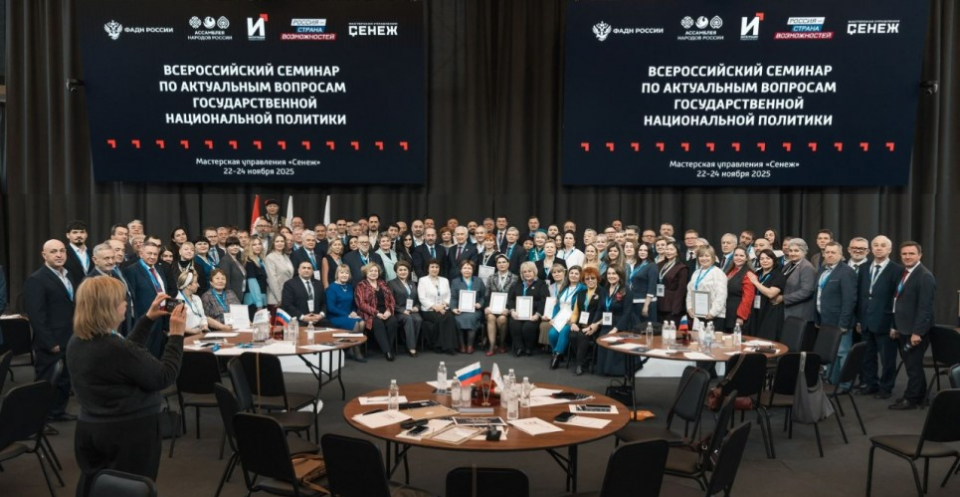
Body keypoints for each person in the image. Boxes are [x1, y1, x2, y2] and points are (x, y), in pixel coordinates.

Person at [67, 281, 185, 497]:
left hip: (91, 429)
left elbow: (127, 355)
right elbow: (164, 376)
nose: (126, 305)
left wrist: (147, 319)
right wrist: (176, 335)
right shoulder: (114, 348)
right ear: (109, 307)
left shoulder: (77, 342)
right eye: (122, 300)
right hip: (128, 435)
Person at [24, 239, 77, 422]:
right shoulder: (36, 279)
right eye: (53, 251)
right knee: (46, 381)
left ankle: (57, 412)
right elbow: (36, 315)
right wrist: (50, 342)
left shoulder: (68, 275)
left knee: (64, 380)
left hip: (69, 337)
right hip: (51, 341)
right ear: (44, 255)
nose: (59, 255)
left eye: (62, 251)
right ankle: (38, 420)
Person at [889, 241, 937, 410]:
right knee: (911, 365)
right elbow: (898, 301)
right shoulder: (905, 273)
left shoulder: (925, 276)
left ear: (920, 255)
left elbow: (925, 308)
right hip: (903, 327)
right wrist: (895, 326)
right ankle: (920, 396)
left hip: (915, 331)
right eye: (904, 254)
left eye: (911, 253)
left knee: (913, 366)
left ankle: (911, 399)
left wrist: (917, 332)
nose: (907, 256)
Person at [856, 235, 903, 400]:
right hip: (866, 321)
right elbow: (861, 296)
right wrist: (859, 319)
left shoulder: (897, 270)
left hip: (885, 322)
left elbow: (898, 299)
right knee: (867, 357)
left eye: (883, 245)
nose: (879, 248)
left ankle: (886, 388)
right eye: (875, 245)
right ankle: (871, 384)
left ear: (889, 249)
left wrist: (895, 324)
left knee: (887, 359)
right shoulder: (864, 268)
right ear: (871, 248)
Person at [815, 241, 858, 387]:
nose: (829, 255)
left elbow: (849, 301)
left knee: (842, 353)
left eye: (833, 252)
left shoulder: (846, 272)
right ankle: (832, 381)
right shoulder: (822, 270)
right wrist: (817, 319)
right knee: (831, 353)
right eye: (827, 252)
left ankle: (845, 385)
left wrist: (843, 324)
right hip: (825, 321)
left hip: (839, 322)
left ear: (841, 254)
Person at [123, 242, 170, 356]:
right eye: (149, 253)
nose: (152, 257)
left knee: (159, 354)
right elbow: (131, 299)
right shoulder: (131, 270)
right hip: (144, 320)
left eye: (155, 254)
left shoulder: (159, 269)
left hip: (161, 319)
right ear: (141, 254)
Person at [593, 266, 636, 376]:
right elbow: (600, 309)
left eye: (614, 273)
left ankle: (614, 371)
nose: (611, 276)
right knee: (602, 339)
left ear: (620, 276)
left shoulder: (626, 291)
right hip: (608, 321)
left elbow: (627, 313)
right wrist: (594, 324)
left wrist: (616, 329)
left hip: (622, 323)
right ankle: (603, 369)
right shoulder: (603, 290)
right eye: (609, 273)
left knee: (613, 340)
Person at [354, 263, 399, 361]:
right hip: (369, 313)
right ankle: (387, 351)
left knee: (393, 322)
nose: (374, 273)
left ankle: (388, 347)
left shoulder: (382, 283)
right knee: (378, 323)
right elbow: (361, 304)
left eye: (376, 271)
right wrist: (376, 313)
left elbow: (392, 300)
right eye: (371, 271)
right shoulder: (361, 285)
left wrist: (389, 311)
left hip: (385, 312)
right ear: (366, 273)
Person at [507, 261, 549, 357]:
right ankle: (519, 347)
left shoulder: (541, 284)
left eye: (529, 271)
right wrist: (512, 311)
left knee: (528, 327)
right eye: (524, 272)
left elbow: (544, 301)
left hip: (533, 314)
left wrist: (537, 315)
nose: (527, 274)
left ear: (534, 271)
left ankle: (529, 348)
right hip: (518, 313)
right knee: (514, 324)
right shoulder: (517, 284)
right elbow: (511, 299)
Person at [325, 265, 367, 361]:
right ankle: (357, 351)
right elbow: (331, 308)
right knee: (355, 323)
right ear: (337, 274)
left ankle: (351, 349)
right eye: (342, 272)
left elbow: (353, 303)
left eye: (347, 273)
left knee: (362, 322)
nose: (344, 275)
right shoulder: (331, 288)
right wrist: (347, 315)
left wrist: (354, 312)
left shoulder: (349, 287)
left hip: (348, 316)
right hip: (335, 316)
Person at [417, 259, 459, 354]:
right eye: (432, 267)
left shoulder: (445, 280)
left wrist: (444, 305)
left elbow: (448, 295)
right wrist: (435, 307)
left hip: (443, 307)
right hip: (428, 309)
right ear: (428, 269)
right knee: (441, 318)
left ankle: (449, 347)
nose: (434, 269)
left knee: (450, 317)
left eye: (437, 267)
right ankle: (438, 345)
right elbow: (422, 298)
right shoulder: (423, 280)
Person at [548, 266, 585, 369]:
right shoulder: (564, 287)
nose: (573, 275)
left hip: (572, 320)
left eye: (576, 274)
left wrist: (573, 320)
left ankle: (557, 356)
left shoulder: (583, 288)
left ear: (580, 276)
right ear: (568, 275)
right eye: (571, 273)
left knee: (564, 331)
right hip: (560, 318)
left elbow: (582, 307)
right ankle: (556, 353)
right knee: (552, 334)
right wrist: (553, 318)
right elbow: (557, 305)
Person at [746, 249, 786, 341]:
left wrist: (756, 282)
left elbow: (771, 294)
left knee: (766, 340)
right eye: (762, 259)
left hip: (770, 312)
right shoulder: (758, 273)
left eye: (768, 258)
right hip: (756, 311)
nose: (765, 261)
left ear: (773, 260)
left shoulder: (778, 275)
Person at [569, 267, 602, 375]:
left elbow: (605, 313)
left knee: (582, 336)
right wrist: (573, 323)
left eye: (593, 278)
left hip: (595, 326)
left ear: (597, 279)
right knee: (572, 335)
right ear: (584, 280)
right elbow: (575, 313)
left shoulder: (602, 293)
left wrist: (594, 325)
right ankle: (585, 358)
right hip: (581, 325)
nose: (590, 280)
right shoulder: (581, 293)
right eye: (587, 278)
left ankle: (579, 364)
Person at [450, 259, 486, 354]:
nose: (467, 270)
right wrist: (453, 308)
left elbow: (483, 296)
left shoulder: (478, 281)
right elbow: (453, 298)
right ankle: (462, 346)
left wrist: (480, 304)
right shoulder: (455, 282)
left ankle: (470, 346)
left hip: (475, 310)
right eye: (464, 268)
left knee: (471, 318)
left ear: (473, 270)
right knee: (458, 319)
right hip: (460, 309)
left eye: (469, 268)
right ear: (461, 270)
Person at [484, 254, 517, 356]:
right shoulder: (491, 277)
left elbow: (515, 297)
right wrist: (486, 307)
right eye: (499, 263)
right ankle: (492, 345)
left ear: (508, 264)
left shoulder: (515, 278)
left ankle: (502, 344)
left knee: (502, 319)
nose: (501, 264)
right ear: (496, 265)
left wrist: (509, 309)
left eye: (504, 262)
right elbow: (486, 295)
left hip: (506, 309)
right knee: (490, 317)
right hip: (492, 308)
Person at [387, 260, 422, 357]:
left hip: (412, 310)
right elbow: (390, 302)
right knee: (408, 319)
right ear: (396, 271)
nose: (403, 272)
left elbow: (418, 300)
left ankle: (409, 342)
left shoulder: (412, 283)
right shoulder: (391, 283)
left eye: (405, 270)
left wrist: (417, 307)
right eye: (400, 270)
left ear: (408, 271)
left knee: (418, 319)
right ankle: (411, 347)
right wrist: (402, 310)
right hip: (398, 311)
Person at [780, 238, 817, 324]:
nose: (793, 253)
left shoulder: (807, 267)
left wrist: (783, 298)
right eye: (791, 250)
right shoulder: (789, 265)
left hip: (800, 313)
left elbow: (806, 291)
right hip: (787, 311)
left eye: (796, 251)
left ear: (804, 252)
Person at [281, 261, 329, 328]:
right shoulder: (290, 284)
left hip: (318, 319)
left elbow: (324, 303)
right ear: (298, 270)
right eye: (304, 268)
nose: (306, 270)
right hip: (299, 320)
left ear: (312, 271)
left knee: (330, 326)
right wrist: (303, 317)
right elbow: (287, 305)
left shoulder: (319, 284)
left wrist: (321, 315)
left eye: (309, 268)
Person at [724, 246, 755, 332]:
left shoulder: (748, 274)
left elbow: (748, 299)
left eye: (741, 256)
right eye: (736, 255)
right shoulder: (730, 270)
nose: (738, 258)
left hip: (737, 315)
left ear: (746, 258)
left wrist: (741, 316)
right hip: (726, 312)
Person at [657, 241, 689, 324]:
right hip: (659, 302)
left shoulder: (682, 268)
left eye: (671, 249)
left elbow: (681, 290)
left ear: (677, 252)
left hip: (672, 305)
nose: (668, 252)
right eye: (667, 249)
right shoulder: (660, 265)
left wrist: (676, 308)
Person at [627, 242, 658, 323]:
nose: (642, 252)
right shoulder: (637, 265)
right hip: (636, 301)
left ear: (649, 252)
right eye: (640, 250)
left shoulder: (652, 266)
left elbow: (652, 286)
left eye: (645, 250)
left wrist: (646, 305)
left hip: (646, 303)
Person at [539, 263, 568, 348]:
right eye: (554, 272)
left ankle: (556, 349)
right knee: (544, 324)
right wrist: (546, 315)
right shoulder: (550, 287)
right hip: (552, 313)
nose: (556, 274)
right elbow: (548, 303)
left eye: (559, 272)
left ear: (564, 273)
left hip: (565, 313)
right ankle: (551, 347)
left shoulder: (568, 285)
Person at [264, 233, 294, 307]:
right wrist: (280, 299)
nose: (280, 243)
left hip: (287, 295)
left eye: (282, 241)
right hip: (276, 299)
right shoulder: (270, 258)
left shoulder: (285, 256)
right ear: (273, 243)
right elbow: (272, 280)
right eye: (277, 241)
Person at [64, 220, 91, 290]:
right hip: (73, 292)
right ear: (68, 235)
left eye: (82, 232)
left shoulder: (93, 252)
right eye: (75, 232)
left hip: (92, 292)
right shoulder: (63, 253)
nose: (79, 235)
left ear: (86, 235)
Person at [242, 237, 268, 311]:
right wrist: (259, 303)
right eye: (254, 245)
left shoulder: (260, 261)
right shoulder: (250, 261)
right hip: (253, 301)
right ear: (249, 247)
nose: (257, 246)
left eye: (259, 244)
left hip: (261, 298)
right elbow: (252, 283)